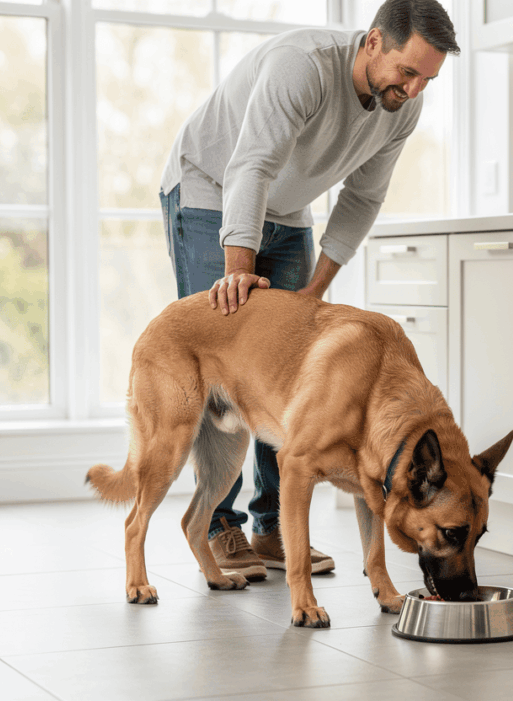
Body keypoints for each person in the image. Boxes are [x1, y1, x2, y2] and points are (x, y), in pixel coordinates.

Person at [158, 0, 459, 581]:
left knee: (294, 373)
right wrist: (237, 270)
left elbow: (362, 199)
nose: (416, 88)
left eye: (429, 79)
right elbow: (251, 165)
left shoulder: (402, 107)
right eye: (409, 71)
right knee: (231, 354)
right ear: (373, 43)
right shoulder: (304, 67)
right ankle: (222, 526)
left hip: (290, 205)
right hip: (210, 186)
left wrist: (315, 292)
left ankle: (273, 527)